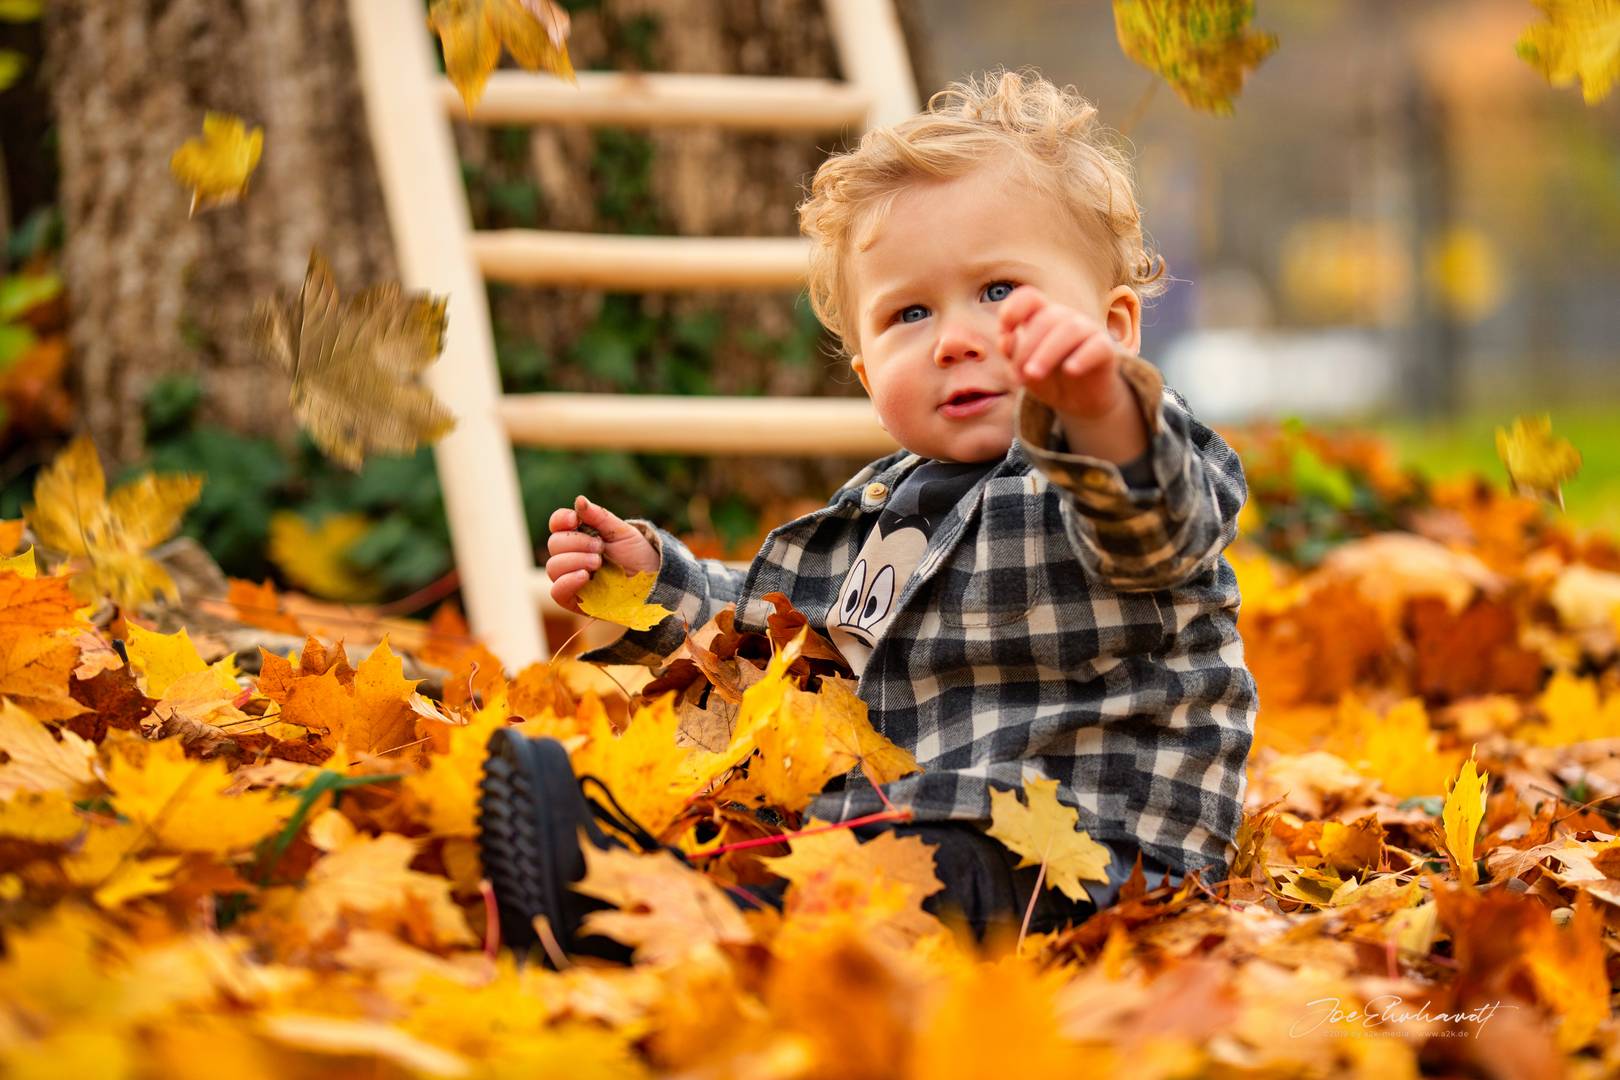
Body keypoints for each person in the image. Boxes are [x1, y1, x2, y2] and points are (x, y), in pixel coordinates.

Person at [477, 67, 1257, 961]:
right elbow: (791, 639)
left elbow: (1158, 525)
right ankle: (629, 897)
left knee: (925, 870)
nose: (955, 337)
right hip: (907, 829)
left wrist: (1098, 405)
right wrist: (654, 588)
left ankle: (660, 928)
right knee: (821, 854)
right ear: (866, 378)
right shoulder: (889, 508)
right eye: (909, 313)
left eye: (1001, 291)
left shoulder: (1104, 461)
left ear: (1114, 326)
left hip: (1100, 852)